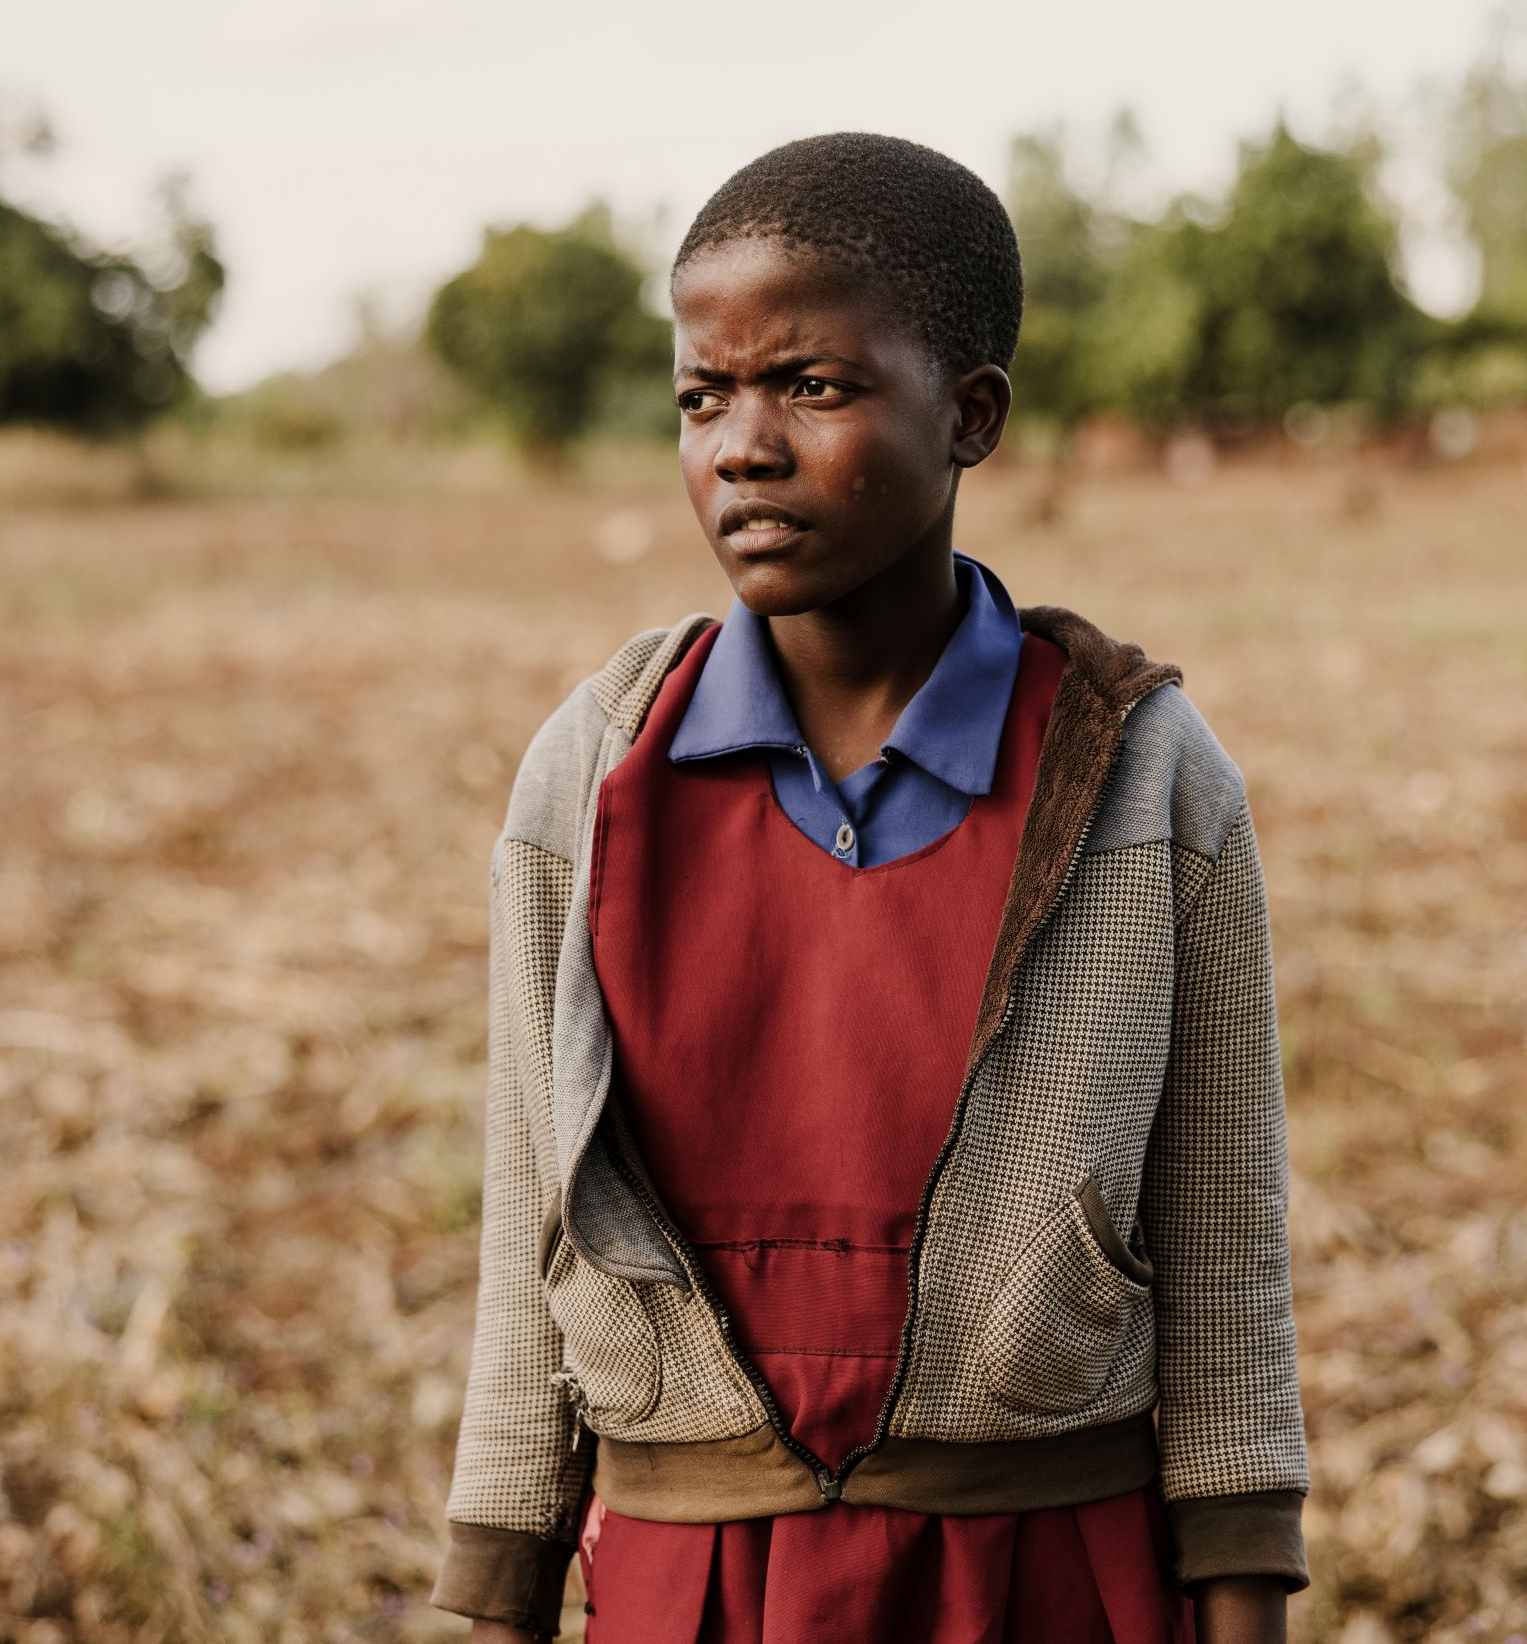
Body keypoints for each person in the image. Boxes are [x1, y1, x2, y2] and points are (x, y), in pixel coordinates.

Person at [429, 132, 1309, 1644]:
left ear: (971, 416)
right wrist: (496, 1590)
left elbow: (1228, 1258)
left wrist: (1241, 1596)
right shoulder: (592, 779)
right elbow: (533, 1235)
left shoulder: (1146, 779)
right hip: (687, 1581)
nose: (741, 446)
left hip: (1046, 1572)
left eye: (812, 388)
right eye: (703, 395)